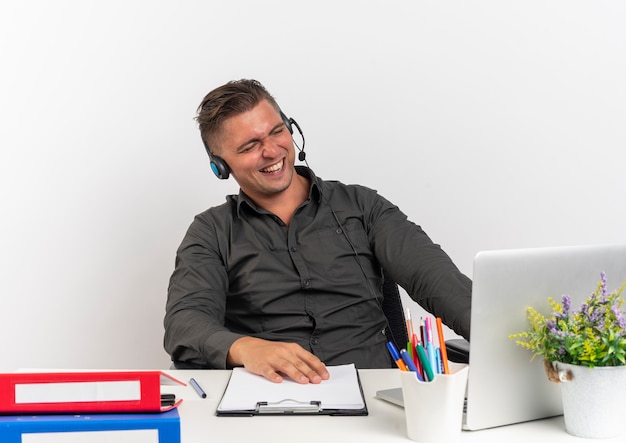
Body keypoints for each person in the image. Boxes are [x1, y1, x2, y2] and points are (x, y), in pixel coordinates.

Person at [164, 79, 471, 384]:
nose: (271, 151)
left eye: (277, 131)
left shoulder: (362, 207)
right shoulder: (211, 231)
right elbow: (185, 322)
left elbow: (441, 284)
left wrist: (507, 340)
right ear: (220, 166)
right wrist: (244, 348)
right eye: (250, 146)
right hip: (268, 399)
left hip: (372, 395)